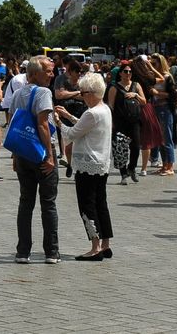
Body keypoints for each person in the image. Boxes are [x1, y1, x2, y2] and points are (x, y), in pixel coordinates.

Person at [55, 72, 113, 261]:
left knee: (87, 205)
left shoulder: (91, 112)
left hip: (87, 163)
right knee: (101, 203)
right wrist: (69, 115)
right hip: (101, 163)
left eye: (83, 92)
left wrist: (58, 122)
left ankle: (95, 246)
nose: (81, 96)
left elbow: (72, 134)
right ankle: (105, 244)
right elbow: (83, 126)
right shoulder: (104, 109)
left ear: (91, 93)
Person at [12, 55, 60, 264]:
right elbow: (42, 124)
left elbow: (16, 126)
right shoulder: (43, 92)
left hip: (23, 154)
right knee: (48, 203)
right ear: (33, 74)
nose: (51, 75)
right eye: (47, 71)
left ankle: (23, 251)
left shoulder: (18, 93)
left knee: (25, 203)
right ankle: (51, 252)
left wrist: (15, 155)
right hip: (41, 154)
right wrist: (50, 155)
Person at [106, 64, 147, 184]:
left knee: (135, 147)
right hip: (120, 122)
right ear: (120, 73)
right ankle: (123, 174)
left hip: (134, 121)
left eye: (130, 72)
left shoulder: (136, 85)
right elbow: (110, 106)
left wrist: (136, 95)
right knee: (120, 148)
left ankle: (132, 168)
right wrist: (111, 122)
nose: (128, 73)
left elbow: (144, 101)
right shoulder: (114, 87)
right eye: (125, 71)